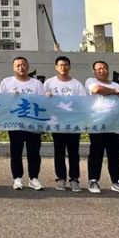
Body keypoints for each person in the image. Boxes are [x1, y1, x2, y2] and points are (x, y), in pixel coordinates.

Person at [85, 61, 119, 195]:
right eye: (99, 69)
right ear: (94, 72)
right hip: (98, 126)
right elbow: (96, 90)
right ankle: (93, 180)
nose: (102, 70)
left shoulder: (117, 85)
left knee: (114, 155)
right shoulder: (90, 82)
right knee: (96, 154)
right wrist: (113, 91)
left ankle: (117, 181)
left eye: (104, 68)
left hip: (116, 126)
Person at [0, 57, 46, 191]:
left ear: (28, 67)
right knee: (16, 151)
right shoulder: (7, 82)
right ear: (13, 67)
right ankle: (17, 178)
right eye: (18, 65)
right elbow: (0, 100)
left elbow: (43, 102)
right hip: (15, 122)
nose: (21, 68)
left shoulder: (36, 84)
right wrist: (10, 97)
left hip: (33, 123)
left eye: (23, 65)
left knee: (34, 151)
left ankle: (33, 178)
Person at [44, 56, 86, 192]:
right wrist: (47, 96)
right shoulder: (49, 83)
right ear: (56, 67)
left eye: (66, 65)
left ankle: (74, 179)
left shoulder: (76, 84)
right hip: (57, 123)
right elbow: (42, 100)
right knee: (59, 152)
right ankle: (60, 178)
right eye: (60, 65)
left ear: (69, 67)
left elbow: (83, 102)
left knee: (74, 153)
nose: (63, 67)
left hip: (73, 123)